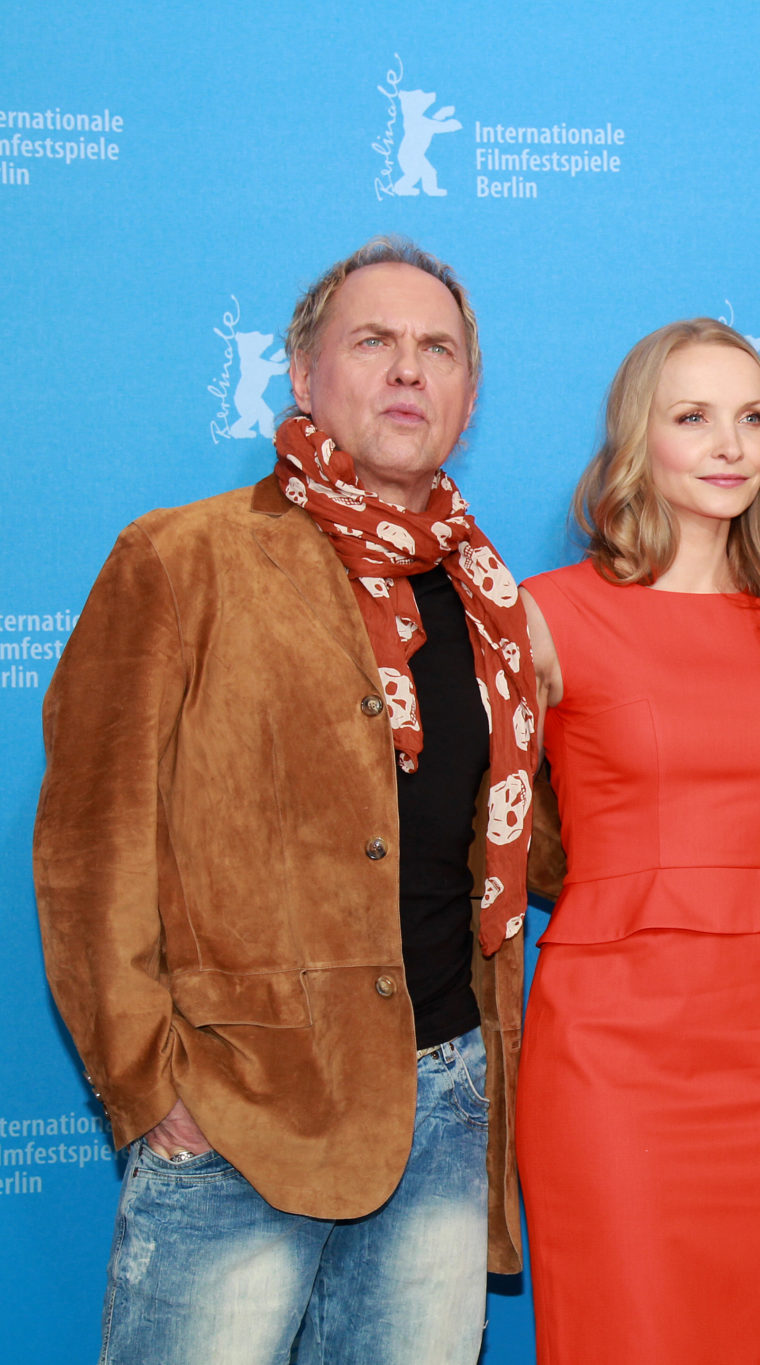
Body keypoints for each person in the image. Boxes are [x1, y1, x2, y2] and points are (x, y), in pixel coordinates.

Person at [34, 237, 538, 1364]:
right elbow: (88, 850)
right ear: (303, 373)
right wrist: (152, 1088)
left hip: (445, 1102)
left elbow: (523, 833)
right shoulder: (181, 560)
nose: (407, 369)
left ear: (467, 396)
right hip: (238, 1108)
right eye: (374, 341)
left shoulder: (491, 600)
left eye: (438, 350)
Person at [514, 319, 760, 1363]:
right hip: (612, 1044)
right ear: (635, 439)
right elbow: (480, 828)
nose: (730, 445)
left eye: (753, 419)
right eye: (692, 417)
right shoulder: (550, 615)